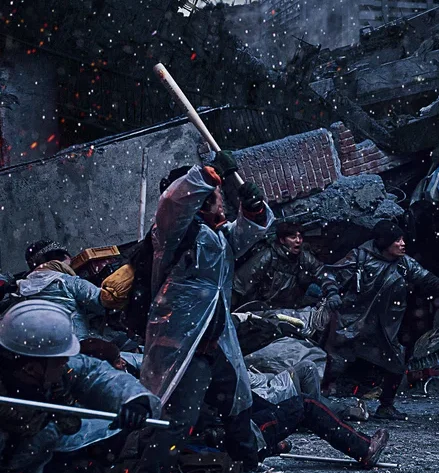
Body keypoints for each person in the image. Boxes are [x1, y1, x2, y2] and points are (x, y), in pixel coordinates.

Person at [138, 152, 274, 473]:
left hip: (215, 347)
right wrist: (206, 174)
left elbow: (248, 232)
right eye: (216, 196)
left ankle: (247, 465)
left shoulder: (218, 237)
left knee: (237, 407)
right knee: (176, 422)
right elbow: (173, 202)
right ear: (199, 200)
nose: (222, 200)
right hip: (184, 347)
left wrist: (253, 207)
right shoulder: (173, 233)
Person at [323, 220, 439, 420]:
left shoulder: (404, 264)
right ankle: (318, 403)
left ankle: (386, 406)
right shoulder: (359, 257)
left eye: (402, 239)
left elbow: (428, 280)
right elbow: (330, 275)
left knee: (396, 362)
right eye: (397, 240)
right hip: (351, 321)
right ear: (385, 243)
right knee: (334, 363)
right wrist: (332, 293)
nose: (403, 244)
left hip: (384, 325)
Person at [0, 299, 160, 473]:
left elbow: (93, 372)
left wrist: (134, 398)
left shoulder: (49, 368)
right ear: (31, 368)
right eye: (59, 359)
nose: (66, 361)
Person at [247, 361, 388, 467]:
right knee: (306, 405)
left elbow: (252, 402)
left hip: (244, 436)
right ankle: (364, 449)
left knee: (299, 404)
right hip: (244, 442)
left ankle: (267, 444)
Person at [16, 240, 129, 340]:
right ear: (63, 258)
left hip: (43, 352)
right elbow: (104, 303)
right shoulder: (67, 282)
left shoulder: (21, 289)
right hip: (74, 348)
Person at [233, 222, 340, 310]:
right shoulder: (267, 257)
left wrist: (332, 291)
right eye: (293, 237)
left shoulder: (304, 257)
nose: (298, 241)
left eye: (300, 237)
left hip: (291, 309)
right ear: (282, 240)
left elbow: (321, 272)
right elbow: (240, 283)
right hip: (262, 310)